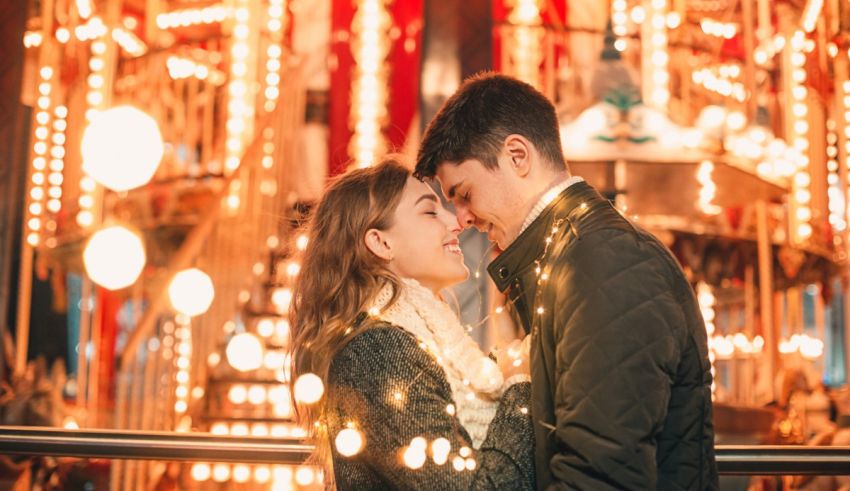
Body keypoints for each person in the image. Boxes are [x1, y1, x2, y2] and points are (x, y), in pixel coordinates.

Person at [414, 72, 719, 490]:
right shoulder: (571, 257)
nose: (463, 219)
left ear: (517, 156)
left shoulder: (604, 261)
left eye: (464, 193)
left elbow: (601, 475)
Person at [290, 158, 536, 490]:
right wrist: (519, 388)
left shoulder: (416, 336)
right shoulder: (378, 350)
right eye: (430, 212)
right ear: (381, 242)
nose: (455, 222)